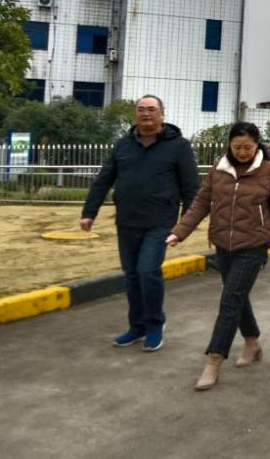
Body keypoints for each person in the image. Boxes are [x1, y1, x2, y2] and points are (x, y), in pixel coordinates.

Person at [166, 122, 270, 390]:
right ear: (229, 146)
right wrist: (179, 232)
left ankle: (214, 360)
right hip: (223, 244)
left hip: (254, 245)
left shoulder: (269, 170)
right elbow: (201, 203)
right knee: (237, 297)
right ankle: (253, 343)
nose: (242, 152)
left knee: (229, 301)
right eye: (237, 147)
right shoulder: (219, 168)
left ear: (257, 145)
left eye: (248, 147)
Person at [80, 95, 199, 352]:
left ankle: (155, 324)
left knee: (147, 271)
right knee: (132, 276)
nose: (146, 114)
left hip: (160, 223)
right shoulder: (122, 146)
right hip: (127, 221)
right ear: (136, 114)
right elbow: (103, 180)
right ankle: (137, 326)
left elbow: (191, 188)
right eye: (141, 109)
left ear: (162, 114)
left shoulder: (178, 146)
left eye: (151, 109)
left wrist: (185, 225)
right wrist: (89, 212)